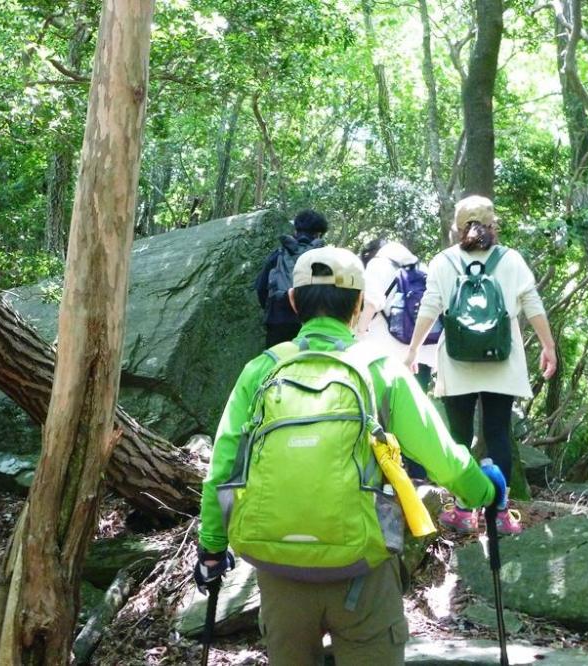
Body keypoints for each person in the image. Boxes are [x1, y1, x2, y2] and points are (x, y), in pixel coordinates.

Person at [196, 246, 506, 665]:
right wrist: (485, 490)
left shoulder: (261, 370)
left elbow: (222, 467)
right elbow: (443, 456)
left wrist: (212, 547)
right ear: (361, 305)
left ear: (292, 302)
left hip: (278, 569)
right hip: (361, 569)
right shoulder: (380, 368)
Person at [405, 195, 557, 536]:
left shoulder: (443, 261)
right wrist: (548, 346)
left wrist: (413, 350)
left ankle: (463, 509)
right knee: (498, 433)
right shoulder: (511, 259)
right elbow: (531, 302)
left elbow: (430, 306)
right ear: (493, 226)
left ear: (455, 230)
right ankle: (499, 513)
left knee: (459, 437)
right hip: (502, 360)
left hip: (457, 361)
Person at [356, 238, 437, 393]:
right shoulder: (422, 269)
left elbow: (372, 302)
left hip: (384, 354)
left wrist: (359, 335)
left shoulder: (378, 264)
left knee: (382, 409)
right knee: (412, 409)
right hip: (420, 356)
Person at [254, 209, 328, 347]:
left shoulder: (278, 254)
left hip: (279, 320)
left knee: (276, 363)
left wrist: (274, 307)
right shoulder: (326, 257)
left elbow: (260, 287)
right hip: (313, 321)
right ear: (318, 234)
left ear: (295, 231)